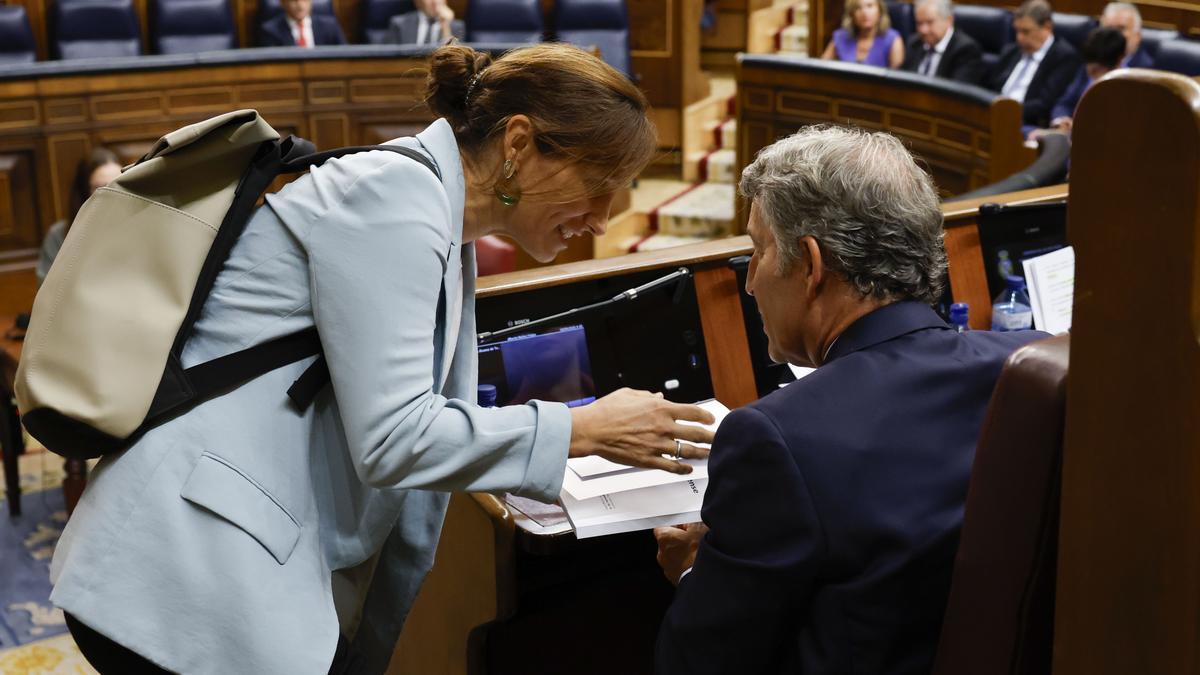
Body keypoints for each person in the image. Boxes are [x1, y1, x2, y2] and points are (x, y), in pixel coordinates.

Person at [49, 43, 716, 675]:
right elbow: (396, 436)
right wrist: (582, 429)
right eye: (599, 185)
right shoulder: (393, 199)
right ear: (518, 145)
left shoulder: (433, 212)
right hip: (182, 562)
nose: (602, 219)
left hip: (231, 558)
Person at [653, 125, 1046, 675]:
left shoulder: (775, 438)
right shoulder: (1042, 366)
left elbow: (697, 663)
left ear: (811, 266)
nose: (749, 284)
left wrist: (696, 571)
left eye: (758, 251)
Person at [988, 0, 1082, 129]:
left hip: (1027, 123)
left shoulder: (1064, 57)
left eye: (1026, 32)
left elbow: (1045, 104)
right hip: (994, 114)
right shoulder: (1011, 51)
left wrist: (1006, 111)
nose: (1019, 38)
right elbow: (992, 86)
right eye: (1017, 31)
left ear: (1047, 27)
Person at [37, 148, 121, 285]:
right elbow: (48, 290)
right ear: (84, 191)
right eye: (101, 187)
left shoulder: (140, 225)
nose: (113, 193)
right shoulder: (58, 235)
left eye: (118, 184)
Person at [1040, 27, 1126, 136]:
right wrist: (1062, 119)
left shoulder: (1129, 87)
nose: (1090, 73)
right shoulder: (1083, 72)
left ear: (1118, 62)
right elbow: (1064, 103)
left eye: (1096, 70)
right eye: (1088, 66)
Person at [900, 0, 986, 85]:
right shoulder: (914, 43)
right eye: (919, 23)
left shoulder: (966, 50)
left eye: (930, 22)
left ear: (949, 20)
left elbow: (958, 93)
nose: (923, 30)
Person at [821, 0, 904, 69]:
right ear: (851, 14)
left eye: (870, 6)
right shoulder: (840, 37)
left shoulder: (893, 39)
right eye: (858, 8)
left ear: (880, 11)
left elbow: (898, 81)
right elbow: (821, 70)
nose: (864, 13)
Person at [259, 0, 346, 47]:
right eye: (294, 0)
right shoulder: (270, 31)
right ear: (283, 2)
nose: (300, 5)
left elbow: (345, 55)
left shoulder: (330, 26)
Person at [1099, 1, 1153, 69]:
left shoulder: (1147, 71)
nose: (1114, 34)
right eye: (1109, 28)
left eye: (1121, 28)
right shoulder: (1090, 62)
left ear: (1137, 36)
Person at [387, 0, 464, 45]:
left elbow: (455, 61)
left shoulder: (456, 26)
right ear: (417, 2)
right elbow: (391, 59)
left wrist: (445, 26)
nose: (434, 2)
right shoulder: (399, 24)